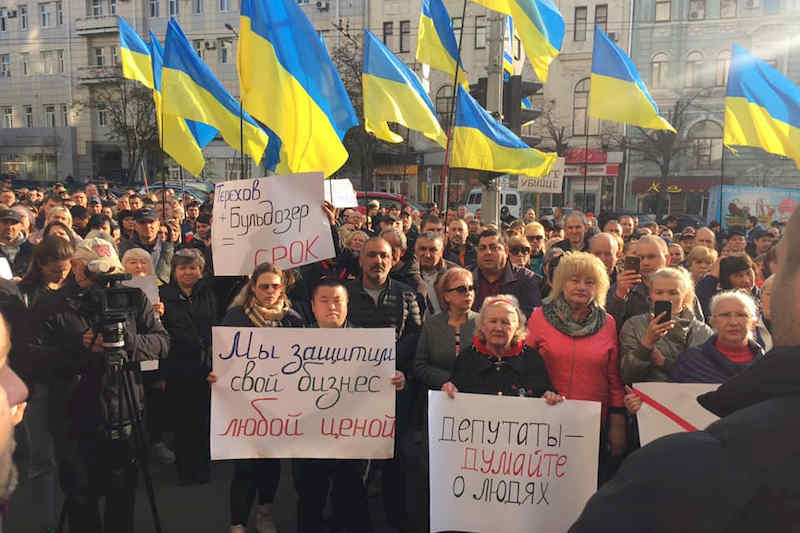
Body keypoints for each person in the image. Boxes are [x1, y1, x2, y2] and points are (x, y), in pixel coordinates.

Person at [27, 237, 168, 533]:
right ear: (77, 268)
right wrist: (79, 347)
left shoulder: (132, 298)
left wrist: (129, 342)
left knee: (122, 498)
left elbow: (161, 343)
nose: (102, 281)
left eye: (108, 273)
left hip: (124, 412)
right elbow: (32, 358)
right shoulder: (51, 305)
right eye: (94, 272)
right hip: (74, 417)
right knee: (81, 500)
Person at [292, 279, 405, 533]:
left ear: (347, 304)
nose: (331, 306)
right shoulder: (292, 344)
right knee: (310, 499)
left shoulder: (369, 344)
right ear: (312, 305)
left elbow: (382, 378)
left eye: (337, 301)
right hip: (308, 437)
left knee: (353, 497)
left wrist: (397, 378)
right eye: (324, 300)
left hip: (354, 437)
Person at [209, 262, 304, 533]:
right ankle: (237, 522)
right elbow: (221, 358)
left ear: (283, 287)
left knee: (271, 465)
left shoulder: (293, 320)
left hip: (279, 406)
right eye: (264, 286)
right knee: (245, 466)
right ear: (252, 288)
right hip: (243, 406)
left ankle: (265, 512)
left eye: (275, 286)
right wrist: (216, 375)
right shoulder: (236, 317)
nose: (270, 291)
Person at [525, 252, 626, 478]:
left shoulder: (608, 323)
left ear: (599, 287)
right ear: (561, 283)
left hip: (590, 427)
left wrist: (617, 423)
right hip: (544, 422)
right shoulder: (539, 317)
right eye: (574, 280)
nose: (581, 287)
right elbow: (524, 368)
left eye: (589, 282)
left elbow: (614, 379)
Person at [345, 237, 422, 532]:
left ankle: (396, 521)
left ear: (393, 259)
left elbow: (416, 336)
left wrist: (403, 370)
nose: (378, 261)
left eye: (384, 256)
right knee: (356, 463)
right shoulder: (345, 294)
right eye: (372, 255)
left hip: (394, 391)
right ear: (361, 260)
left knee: (394, 460)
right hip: (352, 394)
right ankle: (356, 521)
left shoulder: (406, 295)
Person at [159, 249, 216, 485]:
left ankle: (203, 467)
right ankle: (186, 470)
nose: (188, 272)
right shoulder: (162, 296)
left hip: (206, 368)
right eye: (182, 268)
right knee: (183, 422)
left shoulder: (209, 294)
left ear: (201, 271)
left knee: (204, 420)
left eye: (193, 268)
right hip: (178, 368)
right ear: (174, 271)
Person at [442, 295, 562, 403]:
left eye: (506, 322)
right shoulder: (467, 358)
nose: (498, 328)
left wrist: (549, 396)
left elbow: (546, 392)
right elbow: (454, 391)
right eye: (493, 321)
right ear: (482, 326)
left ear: (517, 327)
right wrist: (449, 389)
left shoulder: (532, 359)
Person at [619, 267, 713, 383]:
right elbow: (627, 375)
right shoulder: (634, 325)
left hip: (687, 397)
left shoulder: (701, 330)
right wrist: (646, 344)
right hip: (647, 396)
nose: (665, 298)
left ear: (685, 296)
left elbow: (703, 375)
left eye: (673, 293)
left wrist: (663, 362)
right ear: (650, 296)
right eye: (659, 292)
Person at [608, 235, 703, 331]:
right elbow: (610, 328)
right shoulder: (623, 287)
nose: (645, 262)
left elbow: (698, 329)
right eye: (641, 257)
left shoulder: (681, 289)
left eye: (651, 257)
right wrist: (619, 297)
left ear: (667, 259)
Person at [670, 291, 763, 383]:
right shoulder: (690, 362)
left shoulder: (765, 364)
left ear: (753, 323)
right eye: (725, 315)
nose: (733, 322)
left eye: (741, 315)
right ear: (712, 322)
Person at [414, 267, 478, 391]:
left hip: (474, 395)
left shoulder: (483, 323)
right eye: (461, 289)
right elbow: (419, 366)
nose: (468, 293)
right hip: (439, 395)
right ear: (446, 296)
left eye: (471, 288)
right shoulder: (431, 324)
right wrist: (447, 380)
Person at [470, 229, 542, 319]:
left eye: (493, 248)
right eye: (482, 248)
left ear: (506, 252)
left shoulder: (525, 279)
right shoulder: (468, 277)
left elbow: (531, 318)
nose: (487, 252)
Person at [118, 207, 177, 284]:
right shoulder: (124, 248)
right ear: (135, 226)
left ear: (158, 224)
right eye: (142, 223)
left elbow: (164, 276)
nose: (147, 226)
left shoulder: (168, 249)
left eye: (151, 222)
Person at [696, 254, 759, 320]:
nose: (746, 280)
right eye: (738, 276)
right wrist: (712, 277)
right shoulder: (718, 302)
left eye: (749, 273)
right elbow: (702, 297)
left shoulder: (763, 296)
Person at [415, 232, 456, 317]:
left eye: (433, 250)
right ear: (415, 250)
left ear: (441, 251)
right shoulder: (407, 275)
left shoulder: (454, 273)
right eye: (422, 249)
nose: (427, 255)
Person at [0, 208, 32, 278]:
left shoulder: (31, 249)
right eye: (5, 222)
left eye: (14, 223)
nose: (9, 227)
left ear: (21, 226)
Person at [755, 274, 774, 352]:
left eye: (780, 295)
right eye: (769, 294)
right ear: (761, 296)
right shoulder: (748, 326)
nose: (773, 299)